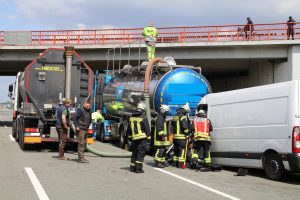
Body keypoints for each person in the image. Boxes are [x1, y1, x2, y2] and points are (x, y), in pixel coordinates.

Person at [128, 102, 151, 173]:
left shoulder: (131, 117)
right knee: (140, 153)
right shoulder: (143, 117)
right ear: (143, 110)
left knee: (134, 153)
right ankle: (138, 169)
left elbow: (129, 129)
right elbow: (147, 129)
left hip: (134, 138)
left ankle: (132, 167)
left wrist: (129, 137)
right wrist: (149, 139)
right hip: (142, 138)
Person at [172, 103, 193, 168]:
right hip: (181, 137)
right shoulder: (183, 117)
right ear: (185, 110)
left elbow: (173, 125)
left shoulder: (175, 116)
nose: (186, 113)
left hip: (175, 136)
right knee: (182, 150)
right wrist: (187, 132)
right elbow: (184, 127)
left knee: (176, 150)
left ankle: (175, 163)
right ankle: (180, 164)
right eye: (186, 112)